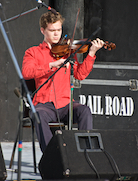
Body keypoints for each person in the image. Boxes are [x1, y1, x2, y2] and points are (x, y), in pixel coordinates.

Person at [22, 11, 104, 153]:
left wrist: (91, 54)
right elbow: (27, 72)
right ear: (43, 30)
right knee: (39, 114)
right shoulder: (33, 52)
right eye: (52, 30)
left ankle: (85, 156)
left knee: (84, 110)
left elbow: (80, 75)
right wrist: (52, 65)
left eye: (59, 30)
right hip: (44, 104)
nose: (56, 34)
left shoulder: (68, 52)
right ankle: (52, 157)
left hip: (65, 104)